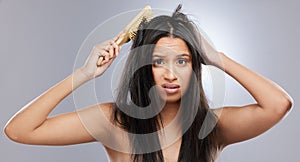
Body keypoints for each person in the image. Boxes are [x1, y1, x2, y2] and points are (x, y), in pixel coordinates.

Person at [4, 5, 292, 162]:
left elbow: (279, 105)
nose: (170, 74)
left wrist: (217, 57)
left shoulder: (211, 127)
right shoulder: (114, 122)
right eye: (158, 62)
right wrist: (84, 74)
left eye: (181, 61)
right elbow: (19, 131)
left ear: (195, 66)